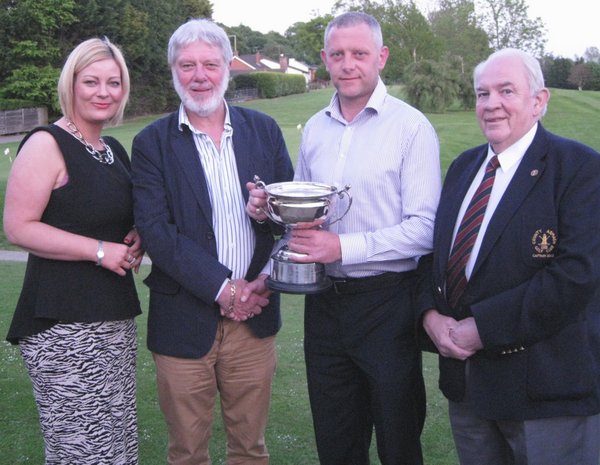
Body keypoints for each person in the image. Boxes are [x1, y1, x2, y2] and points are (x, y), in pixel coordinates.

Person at [248, 11, 441, 465]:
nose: (348, 64)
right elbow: (303, 222)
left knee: (398, 444)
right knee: (336, 444)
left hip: (388, 306)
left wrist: (343, 248)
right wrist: (269, 209)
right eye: (338, 54)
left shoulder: (411, 128)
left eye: (360, 54)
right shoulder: (315, 129)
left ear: (382, 57)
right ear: (324, 59)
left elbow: (425, 229)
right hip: (325, 308)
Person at [417, 48, 600, 465]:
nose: (491, 104)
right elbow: (437, 258)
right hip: (470, 389)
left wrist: (483, 328)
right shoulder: (464, 168)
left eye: (506, 91)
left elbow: (574, 277)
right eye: (482, 94)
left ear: (539, 101)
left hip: (546, 394)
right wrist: (430, 315)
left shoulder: (581, 169)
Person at [130, 18, 294, 465]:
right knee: (186, 451)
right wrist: (225, 289)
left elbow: (292, 221)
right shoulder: (151, 143)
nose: (199, 75)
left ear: (226, 67)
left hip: (254, 320)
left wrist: (269, 212)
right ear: (173, 70)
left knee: (250, 449)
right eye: (187, 65)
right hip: (183, 319)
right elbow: (157, 232)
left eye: (209, 63)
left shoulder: (264, 131)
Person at [3, 37, 142, 464]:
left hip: (113, 320)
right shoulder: (47, 143)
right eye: (92, 81)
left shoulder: (111, 150)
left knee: (117, 445)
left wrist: (137, 233)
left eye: (113, 82)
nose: (104, 92)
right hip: (63, 327)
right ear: (71, 85)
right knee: (81, 451)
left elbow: (104, 212)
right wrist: (99, 250)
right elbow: (17, 227)